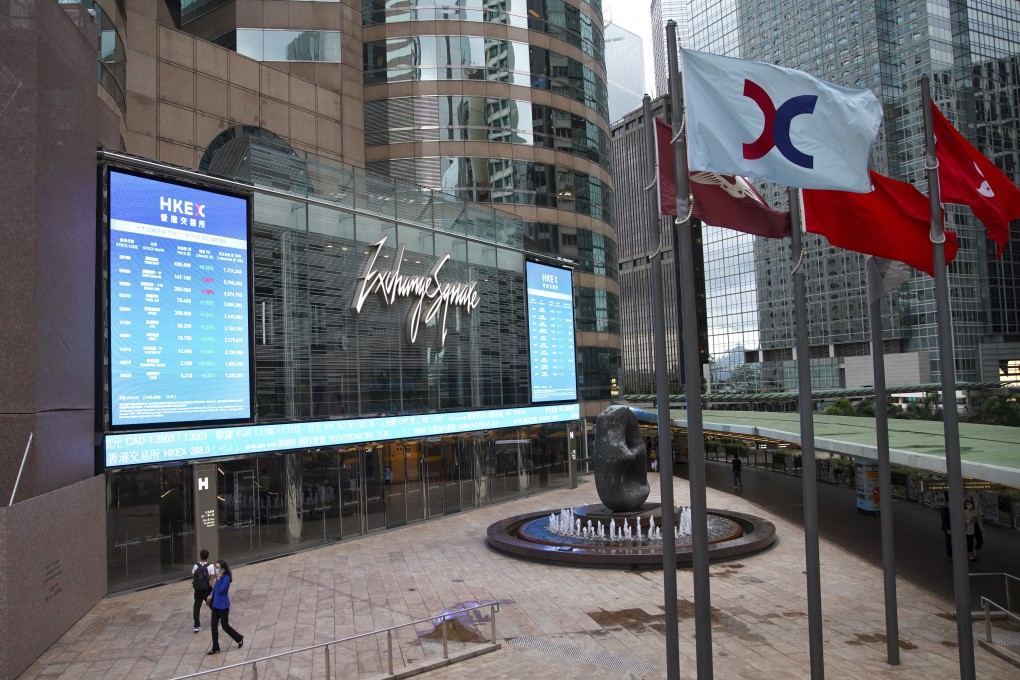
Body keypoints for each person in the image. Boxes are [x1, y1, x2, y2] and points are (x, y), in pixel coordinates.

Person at [206, 560, 244, 654]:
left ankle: (239, 638)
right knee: (213, 626)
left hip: (223, 605)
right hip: (215, 605)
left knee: (225, 626)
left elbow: (221, 590)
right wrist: (211, 594)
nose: (216, 569)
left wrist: (218, 580)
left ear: (223, 569)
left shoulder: (226, 578)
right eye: (216, 567)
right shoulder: (219, 577)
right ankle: (215, 647)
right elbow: (215, 589)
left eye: (218, 567)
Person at [191, 549, 214, 633]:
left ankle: (196, 626)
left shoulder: (196, 565)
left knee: (196, 607)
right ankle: (218, 618)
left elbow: (193, 575)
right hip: (207, 589)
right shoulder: (211, 566)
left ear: (200, 556)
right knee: (212, 604)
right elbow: (212, 579)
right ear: (207, 556)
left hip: (197, 590)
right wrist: (213, 590)